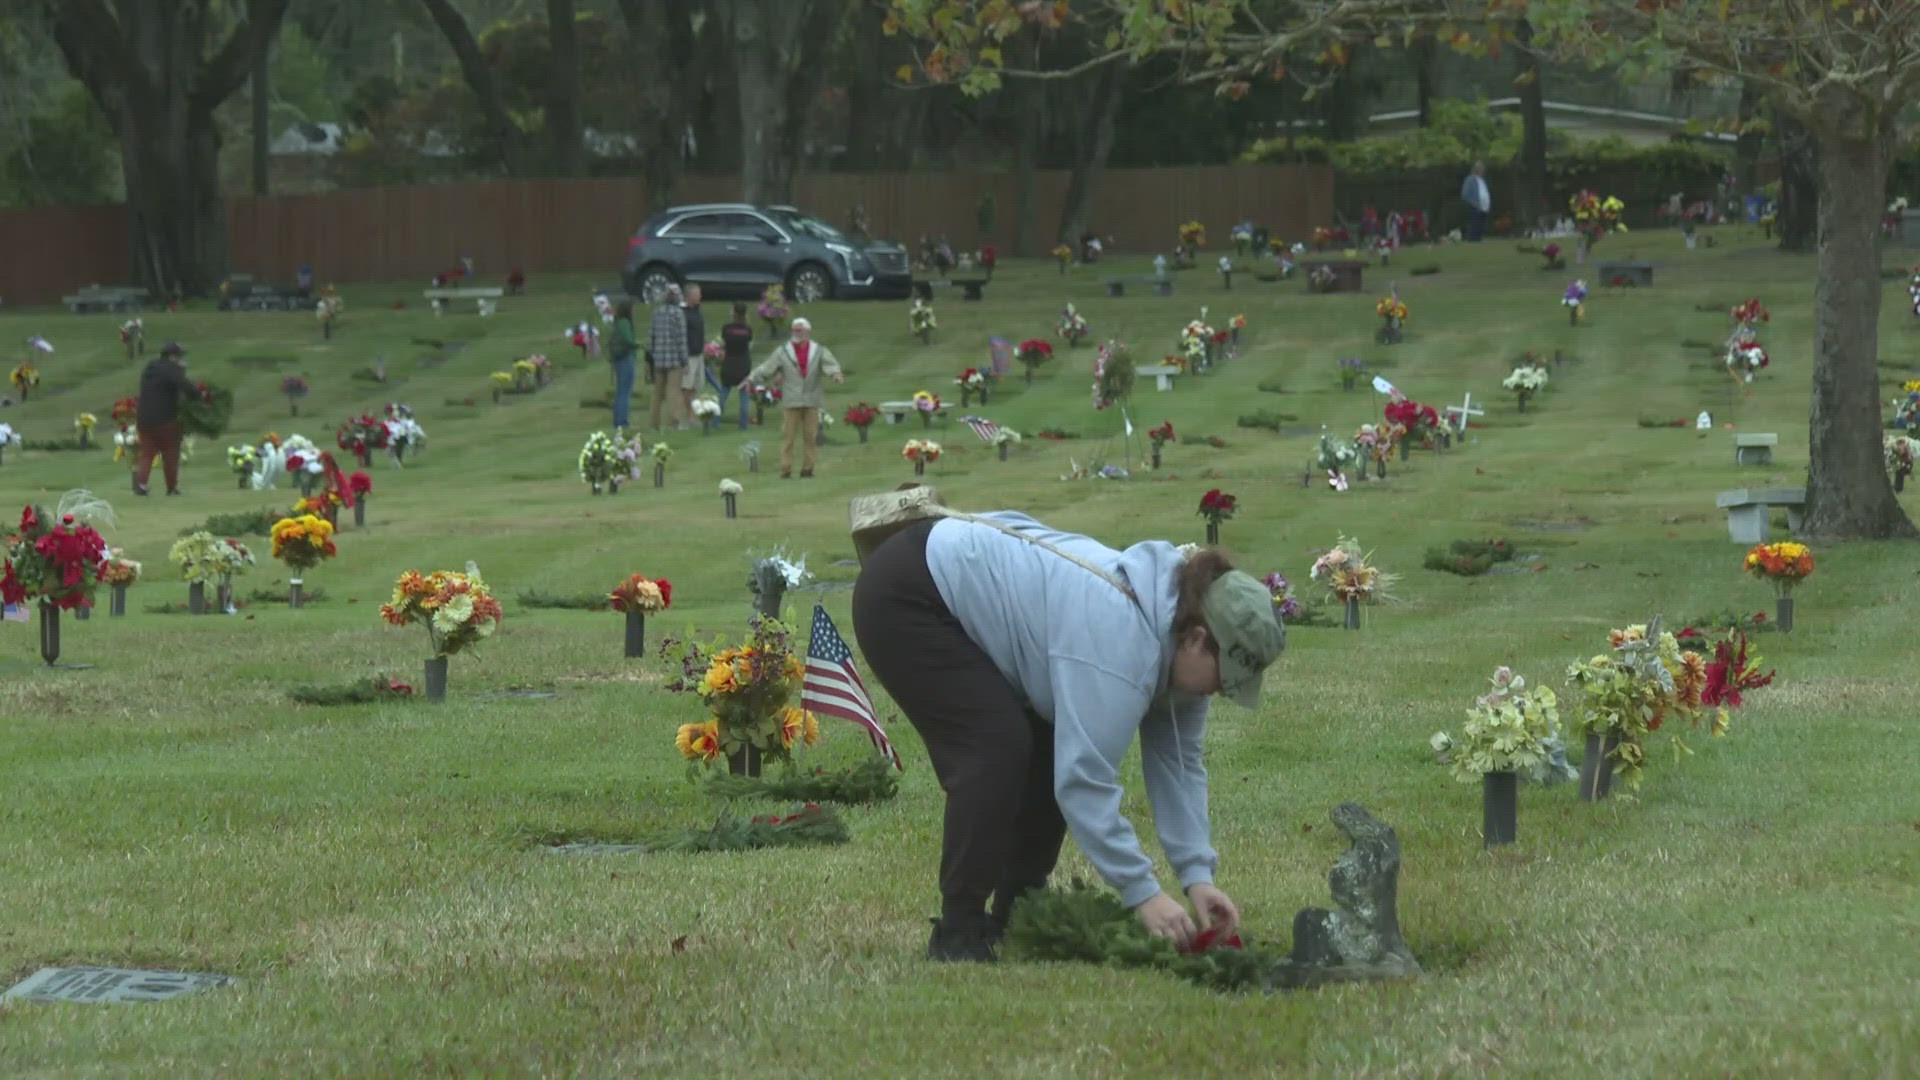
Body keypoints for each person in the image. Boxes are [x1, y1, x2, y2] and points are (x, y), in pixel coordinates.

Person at [851, 510, 1286, 962]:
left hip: (960, 594)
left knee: (1044, 746)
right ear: (1197, 638)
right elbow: (1084, 783)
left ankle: (1017, 917)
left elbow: (1179, 766)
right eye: (1227, 675)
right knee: (996, 749)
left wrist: (1198, 877)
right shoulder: (1120, 643)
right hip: (909, 595)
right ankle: (959, 930)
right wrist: (1144, 895)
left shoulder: (1179, 636)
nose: (1224, 691)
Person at [745, 316, 842, 478]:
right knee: (788, 437)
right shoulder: (783, 351)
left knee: (811, 436)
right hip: (791, 400)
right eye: (794, 330)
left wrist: (836, 374)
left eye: (800, 330)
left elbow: (830, 364)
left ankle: (808, 469)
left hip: (812, 399)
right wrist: (751, 378)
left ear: (807, 332)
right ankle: (786, 469)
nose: (796, 333)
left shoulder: (818, 350)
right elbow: (768, 367)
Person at [134, 341, 196, 496]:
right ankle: (171, 487)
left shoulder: (150, 367)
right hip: (165, 418)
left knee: (147, 453)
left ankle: (141, 484)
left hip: (143, 418)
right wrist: (199, 396)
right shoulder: (172, 369)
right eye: (179, 356)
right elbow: (185, 386)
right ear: (173, 356)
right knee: (170, 453)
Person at [647, 284, 689, 432]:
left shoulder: (656, 313)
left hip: (658, 360)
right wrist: (685, 361)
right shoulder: (678, 314)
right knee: (673, 391)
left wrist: (652, 356)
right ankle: (674, 423)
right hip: (674, 361)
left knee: (657, 392)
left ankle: (654, 424)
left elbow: (650, 338)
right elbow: (681, 339)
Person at [710, 301, 754, 430]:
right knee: (744, 396)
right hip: (743, 364)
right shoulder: (747, 330)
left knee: (723, 394)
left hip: (729, 364)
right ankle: (744, 424)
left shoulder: (727, 328)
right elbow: (749, 346)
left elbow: (722, 344)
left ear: (733, 312)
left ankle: (715, 422)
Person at [609, 300, 639, 431]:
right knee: (625, 391)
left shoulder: (618, 322)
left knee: (621, 390)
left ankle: (617, 420)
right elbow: (628, 340)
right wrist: (637, 345)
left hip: (619, 359)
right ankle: (622, 422)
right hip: (626, 358)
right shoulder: (625, 323)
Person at [680, 284, 707, 428]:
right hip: (688, 356)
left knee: (697, 385)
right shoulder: (683, 313)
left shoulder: (697, 311)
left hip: (699, 354)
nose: (700, 297)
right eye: (697, 294)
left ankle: (694, 414)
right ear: (689, 296)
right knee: (687, 387)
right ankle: (687, 416)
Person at [1462, 161, 1491, 242]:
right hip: (1474, 206)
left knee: (1481, 224)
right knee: (1474, 224)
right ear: (1476, 169)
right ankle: (1472, 240)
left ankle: (1478, 239)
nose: (1483, 171)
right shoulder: (1470, 179)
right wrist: (1474, 204)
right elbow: (1465, 194)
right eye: (1481, 169)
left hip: (1484, 207)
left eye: (1483, 169)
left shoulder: (1482, 180)